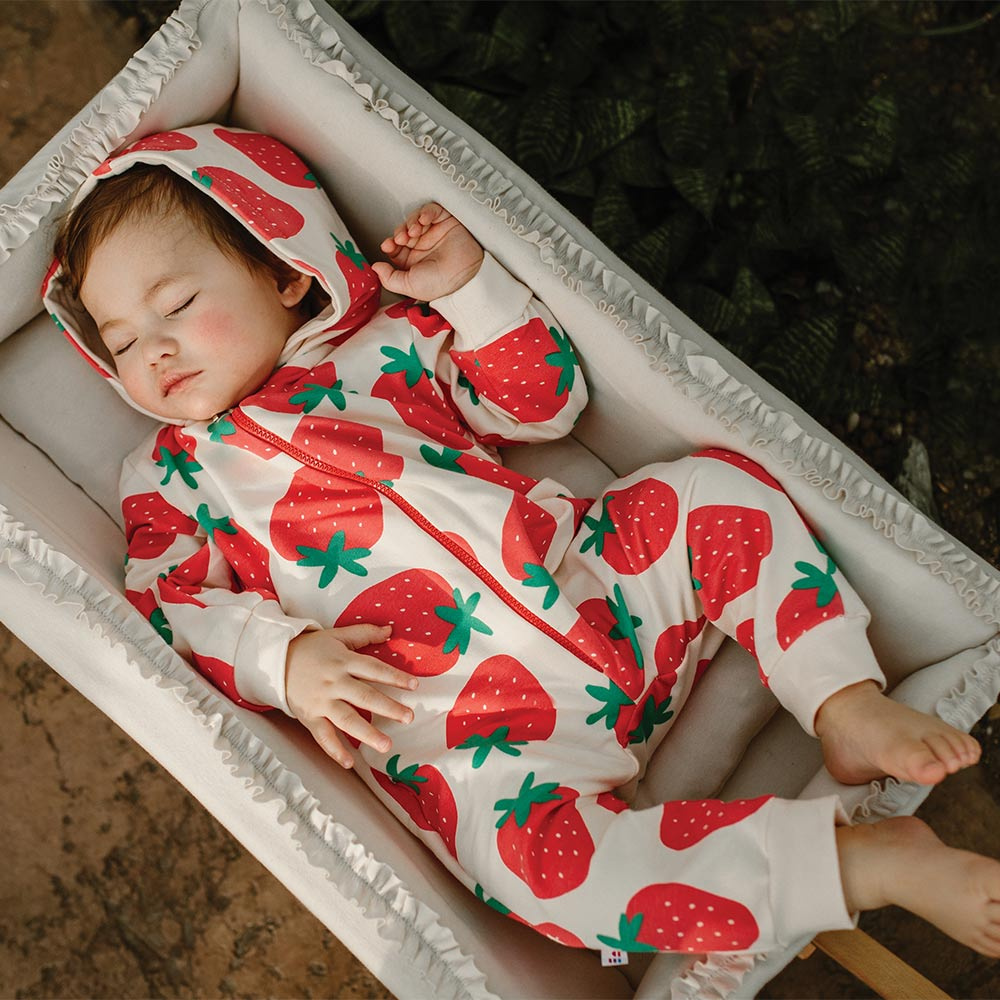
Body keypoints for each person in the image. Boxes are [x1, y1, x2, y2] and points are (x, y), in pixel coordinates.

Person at [44, 124, 1000, 960]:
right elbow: (171, 604)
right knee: (540, 878)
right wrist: (282, 661)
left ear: (286, 269)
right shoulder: (174, 476)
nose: (151, 350)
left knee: (709, 492)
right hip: (479, 742)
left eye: (175, 305)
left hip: (595, 589)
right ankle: (856, 864)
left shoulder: (385, 347)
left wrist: (471, 293)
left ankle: (841, 698)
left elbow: (543, 406)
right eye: (120, 343)